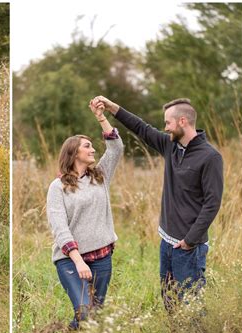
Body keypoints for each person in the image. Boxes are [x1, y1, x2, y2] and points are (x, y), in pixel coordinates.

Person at [92, 96, 223, 311]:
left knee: (191, 306)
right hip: (166, 242)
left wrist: (190, 241)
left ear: (183, 121)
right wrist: (111, 107)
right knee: (170, 302)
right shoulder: (170, 146)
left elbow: (212, 204)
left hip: (189, 247)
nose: (165, 128)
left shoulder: (210, 157)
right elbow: (141, 128)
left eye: (168, 123)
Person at [46, 101, 124, 329]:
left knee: (94, 315)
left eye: (92, 146)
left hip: (102, 257)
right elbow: (60, 228)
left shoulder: (99, 176)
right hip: (71, 260)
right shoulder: (57, 187)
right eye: (87, 146)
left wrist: (101, 117)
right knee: (84, 310)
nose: (92, 150)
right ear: (73, 153)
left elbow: (116, 149)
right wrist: (78, 260)